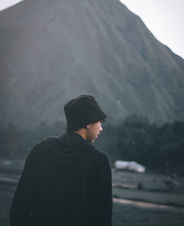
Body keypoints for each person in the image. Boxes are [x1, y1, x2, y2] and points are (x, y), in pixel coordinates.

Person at [10, 95, 112, 226]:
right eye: (99, 122)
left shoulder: (40, 150)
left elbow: (20, 207)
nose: (101, 128)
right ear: (88, 123)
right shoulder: (99, 161)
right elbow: (102, 217)